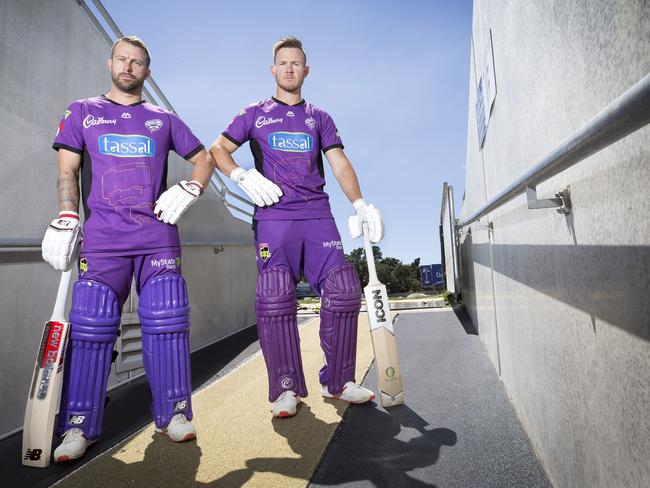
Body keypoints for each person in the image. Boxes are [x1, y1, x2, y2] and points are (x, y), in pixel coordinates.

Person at [41, 36, 214, 462]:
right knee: (91, 328)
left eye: (138, 62)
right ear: (110, 63)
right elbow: (68, 168)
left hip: (157, 237)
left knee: (167, 321)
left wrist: (192, 185)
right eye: (123, 58)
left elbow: (205, 157)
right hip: (103, 240)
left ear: (147, 72)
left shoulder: (163, 118)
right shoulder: (82, 111)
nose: (129, 66)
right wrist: (67, 215)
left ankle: (174, 413)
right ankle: (80, 425)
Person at [210, 36, 384, 418]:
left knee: (343, 290)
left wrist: (360, 204)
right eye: (282, 63)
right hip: (274, 216)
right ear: (273, 70)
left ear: (306, 71)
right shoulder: (253, 114)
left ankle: (338, 381)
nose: (289, 69)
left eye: (296, 63)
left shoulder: (319, 117)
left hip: (317, 215)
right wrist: (240, 175)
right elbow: (218, 149)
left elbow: (338, 161)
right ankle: (285, 389)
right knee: (275, 298)